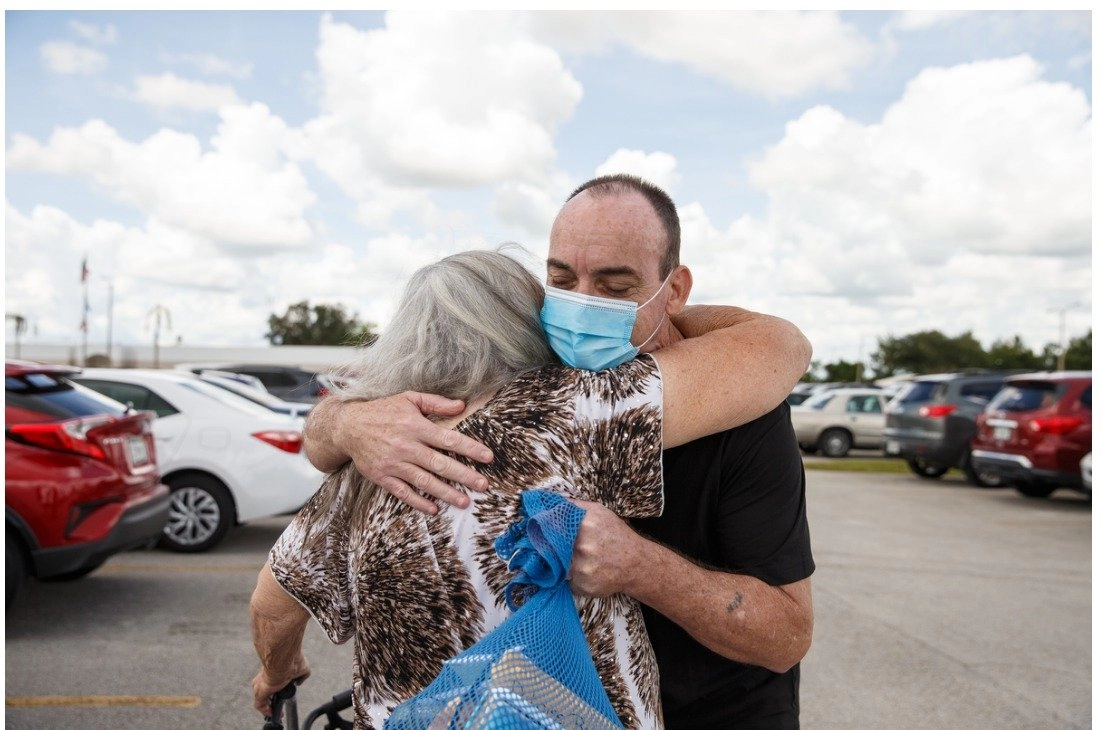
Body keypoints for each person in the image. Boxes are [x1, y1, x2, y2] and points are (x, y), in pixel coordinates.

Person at [300, 174, 816, 728]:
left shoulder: (741, 410)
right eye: (562, 278)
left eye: (616, 289)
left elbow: (785, 637)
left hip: (721, 715)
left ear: (674, 289)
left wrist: (641, 567)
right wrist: (349, 421)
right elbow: (337, 428)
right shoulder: (533, 371)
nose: (582, 306)